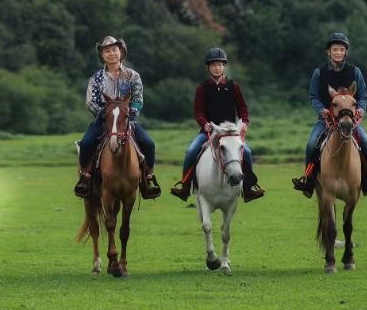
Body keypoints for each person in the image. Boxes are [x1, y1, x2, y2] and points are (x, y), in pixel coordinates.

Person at [291, 31, 367, 198]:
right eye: (335, 49)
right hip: (326, 120)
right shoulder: (319, 73)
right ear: (329, 52)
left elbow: (363, 95)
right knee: (312, 145)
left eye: (342, 49)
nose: (339, 52)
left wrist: (361, 108)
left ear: (345, 52)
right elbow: (313, 96)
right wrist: (322, 110)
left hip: (349, 120)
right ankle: (308, 180)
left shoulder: (355, 72)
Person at [170, 46, 265, 203]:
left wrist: (245, 122)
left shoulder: (233, 86)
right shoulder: (202, 88)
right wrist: (205, 123)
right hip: (208, 131)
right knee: (191, 150)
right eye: (214, 64)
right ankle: (185, 187)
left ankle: (248, 188)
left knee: (247, 152)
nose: (217, 67)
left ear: (224, 66)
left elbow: (243, 109)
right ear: (208, 67)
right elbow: (198, 111)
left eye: (220, 64)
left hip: (230, 133)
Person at [75, 35, 162, 200]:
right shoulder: (96, 79)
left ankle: (148, 179)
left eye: (114, 50)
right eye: (107, 51)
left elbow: (138, 100)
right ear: (102, 55)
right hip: (103, 120)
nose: (111, 54)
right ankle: (85, 178)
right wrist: (103, 113)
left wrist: (131, 113)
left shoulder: (133, 76)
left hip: (127, 120)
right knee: (86, 144)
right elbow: (90, 102)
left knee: (149, 144)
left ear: (121, 52)